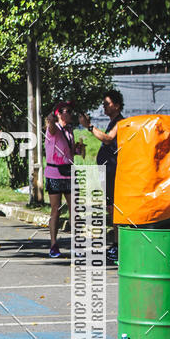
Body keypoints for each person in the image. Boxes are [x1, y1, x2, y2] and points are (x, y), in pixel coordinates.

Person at [78, 90, 124, 263]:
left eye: (107, 103)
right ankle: (116, 244)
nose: (104, 107)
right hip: (108, 172)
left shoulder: (119, 122)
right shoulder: (112, 122)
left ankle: (117, 246)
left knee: (114, 209)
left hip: (114, 171)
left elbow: (107, 139)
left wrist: (89, 127)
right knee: (111, 208)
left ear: (117, 105)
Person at [44, 102, 84, 258]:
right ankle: (53, 245)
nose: (70, 114)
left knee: (74, 209)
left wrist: (78, 149)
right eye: (66, 111)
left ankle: (76, 245)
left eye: (70, 111)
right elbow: (52, 126)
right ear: (59, 114)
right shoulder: (53, 129)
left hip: (68, 172)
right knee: (56, 210)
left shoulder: (69, 130)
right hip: (54, 173)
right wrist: (51, 119)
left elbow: (69, 150)